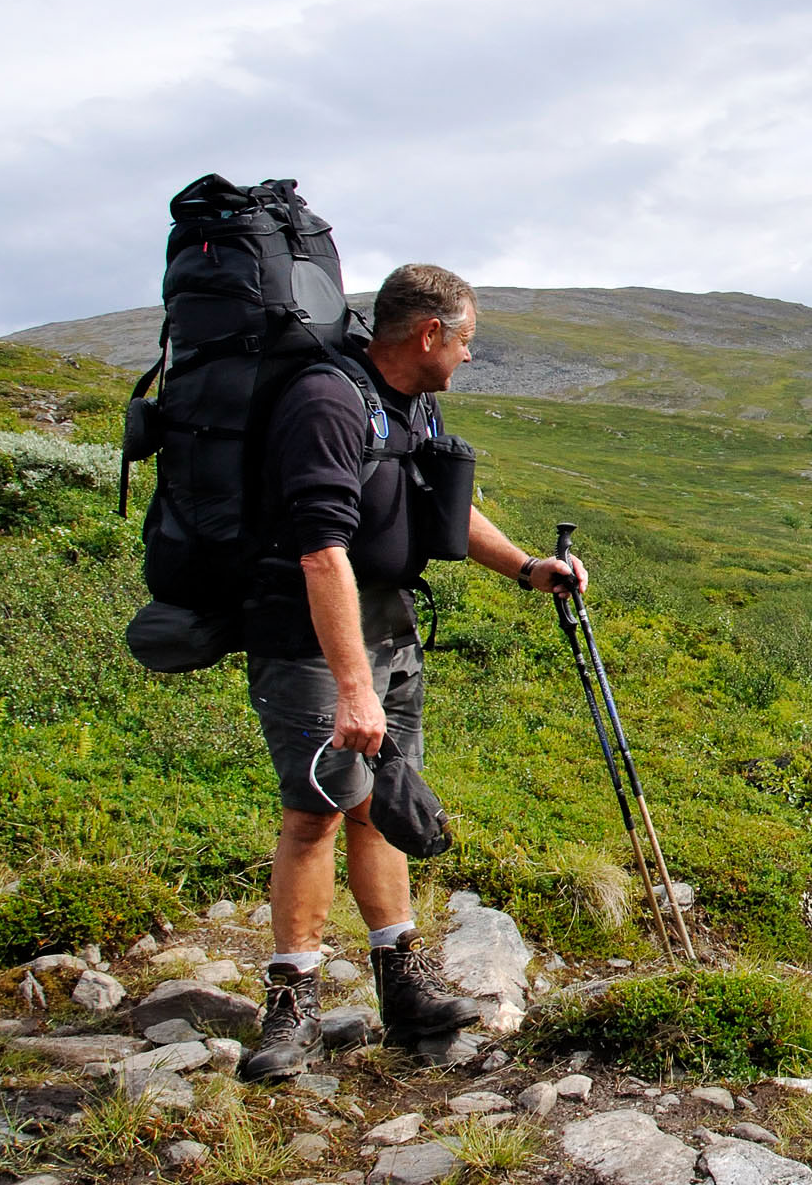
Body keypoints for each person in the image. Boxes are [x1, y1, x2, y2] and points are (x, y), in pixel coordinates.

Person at [240, 263, 585, 1082]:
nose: (469, 357)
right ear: (430, 334)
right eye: (467, 340)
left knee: (382, 808)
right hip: (311, 642)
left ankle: (403, 986)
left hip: (389, 631)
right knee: (316, 813)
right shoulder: (328, 402)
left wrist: (526, 567)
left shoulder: (409, 402)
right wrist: (351, 686)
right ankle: (292, 1005)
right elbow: (320, 553)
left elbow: (444, 507)